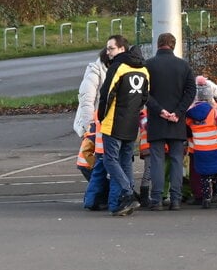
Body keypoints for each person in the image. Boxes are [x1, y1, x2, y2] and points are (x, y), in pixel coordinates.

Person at [97, 34, 150, 217]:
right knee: (126, 160)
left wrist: (101, 116)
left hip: (114, 121)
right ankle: (128, 195)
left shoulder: (118, 67)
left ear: (121, 49)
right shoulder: (144, 70)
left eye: (111, 48)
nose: (108, 52)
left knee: (109, 159)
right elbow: (144, 97)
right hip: (131, 122)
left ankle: (128, 193)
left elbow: (106, 93)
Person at [144, 32, 196, 212]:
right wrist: (178, 112)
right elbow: (191, 91)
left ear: (158, 45)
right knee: (176, 160)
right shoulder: (183, 66)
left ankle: (157, 198)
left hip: (157, 120)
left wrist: (160, 110)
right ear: (173, 45)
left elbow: (144, 93)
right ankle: (175, 199)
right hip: (177, 121)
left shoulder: (148, 65)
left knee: (157, 160)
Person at [185, 76, 217, 208]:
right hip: (215, 149)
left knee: (204, 176)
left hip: (199, 150)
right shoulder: (214, 112)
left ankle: (205, 199)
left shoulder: (190, 114)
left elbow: (186, 126)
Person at [73, 48, 109, 137]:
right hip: (93, 125)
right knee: (91, 149)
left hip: (105, 125)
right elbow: (86, 103)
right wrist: (90, 128)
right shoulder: (93, 75)